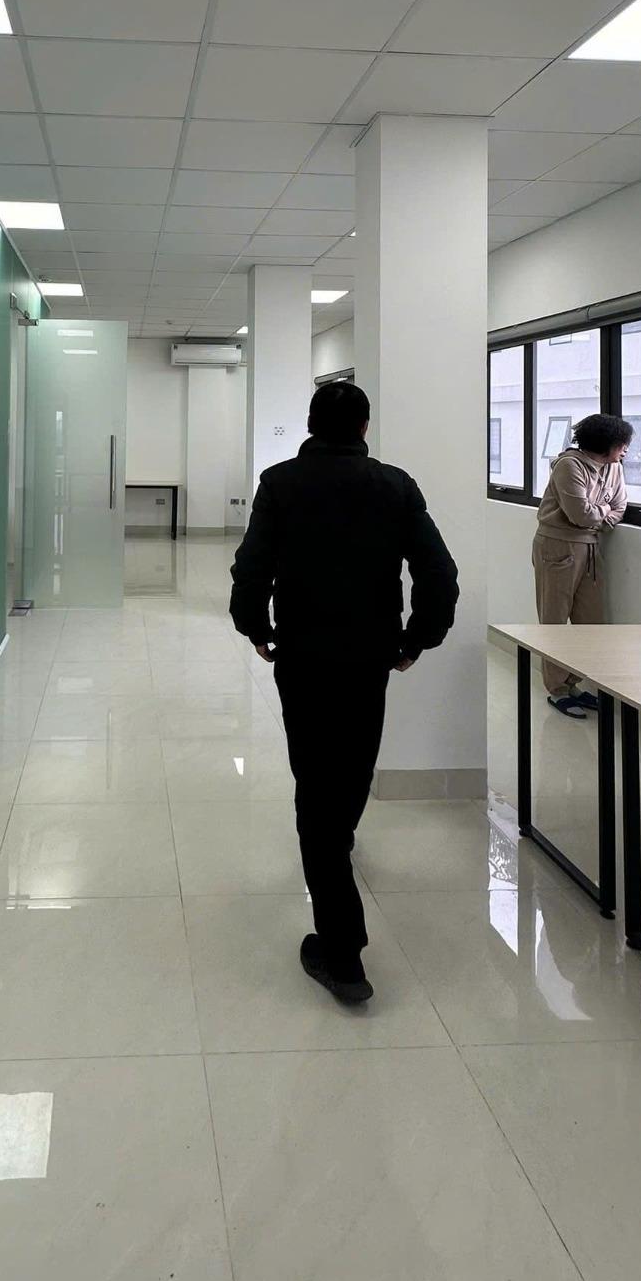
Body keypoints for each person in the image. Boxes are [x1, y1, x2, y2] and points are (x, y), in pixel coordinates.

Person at [229, 380, 459, 1007]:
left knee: (315, 784)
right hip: (369, 656)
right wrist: (419, 638)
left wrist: (255, 626)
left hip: (303, 655)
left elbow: (252, 565)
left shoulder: (280, 483)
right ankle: (339, 844)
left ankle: (342, 954)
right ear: (364, 428)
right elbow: (439, 572)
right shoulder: (395, 485)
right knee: (353, 766)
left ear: (310, 424)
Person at [533, 412, 632, 717]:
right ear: (605, 444)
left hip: (590, 547)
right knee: (554, 620)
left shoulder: (614, 468)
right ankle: (557, 689)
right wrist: (602, 513)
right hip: (556, 546)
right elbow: (580, 514)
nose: (626, 450)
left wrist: (599, 515)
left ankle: (573, 683)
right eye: (622, 444)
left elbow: (620, 507)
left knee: (591, 623)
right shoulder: (569, 465)